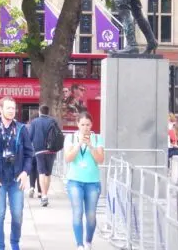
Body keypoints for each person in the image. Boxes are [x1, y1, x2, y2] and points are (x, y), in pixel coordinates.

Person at [0, 97, 33, 250]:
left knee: (17, 215)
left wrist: (25, 172)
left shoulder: (21, 129)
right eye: (8, 108)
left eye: (13, 108)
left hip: (16, 179)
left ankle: (15, 243)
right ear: (0, 110)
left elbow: (29, 153)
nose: (11, 111)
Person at [66, 112, 105, 250]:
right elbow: (68, 158)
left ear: (91, 125)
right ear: (78, 124)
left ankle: (88, 241)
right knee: (77, 212)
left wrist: (90, 146)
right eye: (82, 124)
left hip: (92, 182)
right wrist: (78, 145)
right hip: (75, 181)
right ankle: (79, 244)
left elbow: (100, 159)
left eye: (88, 124)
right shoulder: (71, 138)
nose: (85, 127)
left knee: (91, 215)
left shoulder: (97, 138)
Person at [27, 104, 62, 206]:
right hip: (51, 150)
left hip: (39, 151)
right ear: (48, 112)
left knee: (41, 172)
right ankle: (45, 193)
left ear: (39, 111)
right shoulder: (53, 121)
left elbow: (30, 137)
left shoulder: (34, 122)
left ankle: (44, 196)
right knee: (48, 174)